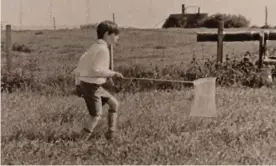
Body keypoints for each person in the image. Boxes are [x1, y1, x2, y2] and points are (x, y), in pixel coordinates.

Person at [73, 20, 124, 141]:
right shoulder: (103, 50)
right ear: (107, 34)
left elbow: (80, 66)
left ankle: (111, 134)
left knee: (114, 104)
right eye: (115, 35)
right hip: (92, 86)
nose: (117, 38)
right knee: (95, 115)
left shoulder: (94, 47)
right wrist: (113, 73)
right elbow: (96, 70)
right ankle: (80, 142)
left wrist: (78, 83)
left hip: (90, 84)